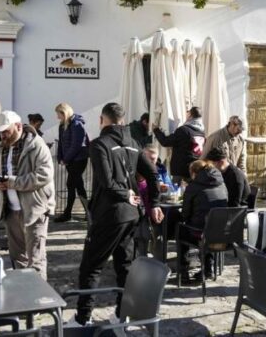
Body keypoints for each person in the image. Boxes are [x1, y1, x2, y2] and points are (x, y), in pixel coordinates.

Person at [71, 103, 164, 327]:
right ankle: (122, 315)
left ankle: (82, 318)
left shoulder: (99, 144)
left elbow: (106, 181)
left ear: (103, 120)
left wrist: (126, 194)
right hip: (131, 215)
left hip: (110, 214)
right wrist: (154, 204)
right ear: (122, 121)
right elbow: (153, 173)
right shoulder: (133, 143)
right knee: (125, 266)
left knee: (91, 267)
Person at [0, 111, 55, 279]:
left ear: (18, 126)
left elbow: (44, 175)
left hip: (35, 209)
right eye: (0, 132)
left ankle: (39, 301)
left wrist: (12, 182)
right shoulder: (2, 146)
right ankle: (23, 296)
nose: (2, 135)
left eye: (6, 131)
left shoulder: (37, 144)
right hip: (10, 210)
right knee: (18, 258)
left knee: (36, 260)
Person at [178, 160, 228, 282]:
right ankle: (208, 268)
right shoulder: (222, 184)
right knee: (208, 226)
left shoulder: (193, 187)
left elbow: (185, 214)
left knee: (181, 229)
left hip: (201, 233)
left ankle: (183, 270)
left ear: (195, 173)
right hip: (222, 233)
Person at [54, 103, 90, 223]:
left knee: (71, 185)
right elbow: (61, 143)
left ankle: (68, 213)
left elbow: (77, 145)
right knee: (78, 186)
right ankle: (89, 213)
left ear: (64, 113)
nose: (57, 117)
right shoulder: (63, 125)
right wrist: (60, 157)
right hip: (71, 160)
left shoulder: (76, 124)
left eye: (59, 114)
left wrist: (66, 159)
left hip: (79, 160)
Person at [153, 106, 205, 184]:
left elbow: (165, 142)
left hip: (181, 171)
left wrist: (156, 130)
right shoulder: (202, 132)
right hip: (195, 169)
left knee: (177, 193)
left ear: (190, 115)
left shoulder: (183, 130)